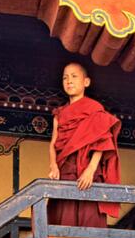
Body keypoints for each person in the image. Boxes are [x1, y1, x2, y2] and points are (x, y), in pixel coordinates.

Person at [47, 62, 122, 227]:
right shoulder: (59, 114)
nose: (69, 81)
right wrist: (53, 166)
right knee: (63, 221)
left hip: (88, 175)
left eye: (74, 76)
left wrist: (90, 170)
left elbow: (102, 142)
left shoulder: (95, 109)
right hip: (65, 173)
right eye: (65, 78)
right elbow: (53, 144)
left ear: (86, 82)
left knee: (90, 222)